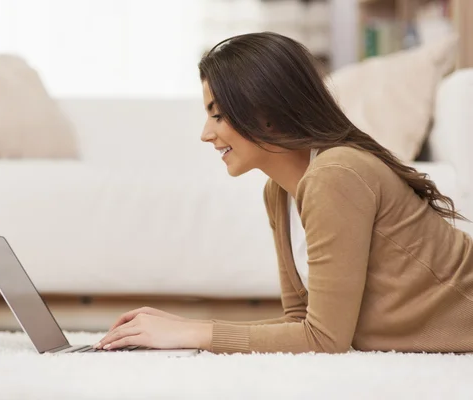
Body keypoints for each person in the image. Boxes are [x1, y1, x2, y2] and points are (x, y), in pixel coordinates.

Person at [93, 32, 473, 354]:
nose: (206, 134)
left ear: (266, 112)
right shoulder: (278, 192)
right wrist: (185, 326)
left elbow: (324, 339)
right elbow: (302, 322)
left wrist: (193, 333)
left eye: (218, 115)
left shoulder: (335, 173)